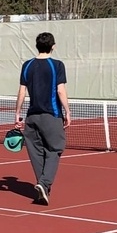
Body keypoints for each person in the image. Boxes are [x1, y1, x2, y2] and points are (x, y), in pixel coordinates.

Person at [14, 32, 71, 206]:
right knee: (55, 150)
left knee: (36, 153)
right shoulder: (57, 65)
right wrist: (68, 111)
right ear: (53, 46)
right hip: (51, 115)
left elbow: (22, 91)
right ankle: (44, 184)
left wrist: (17, 113)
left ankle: (43, 188)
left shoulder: (27, 65)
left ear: (37, 46)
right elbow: (60, 90)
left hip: (32, 116)